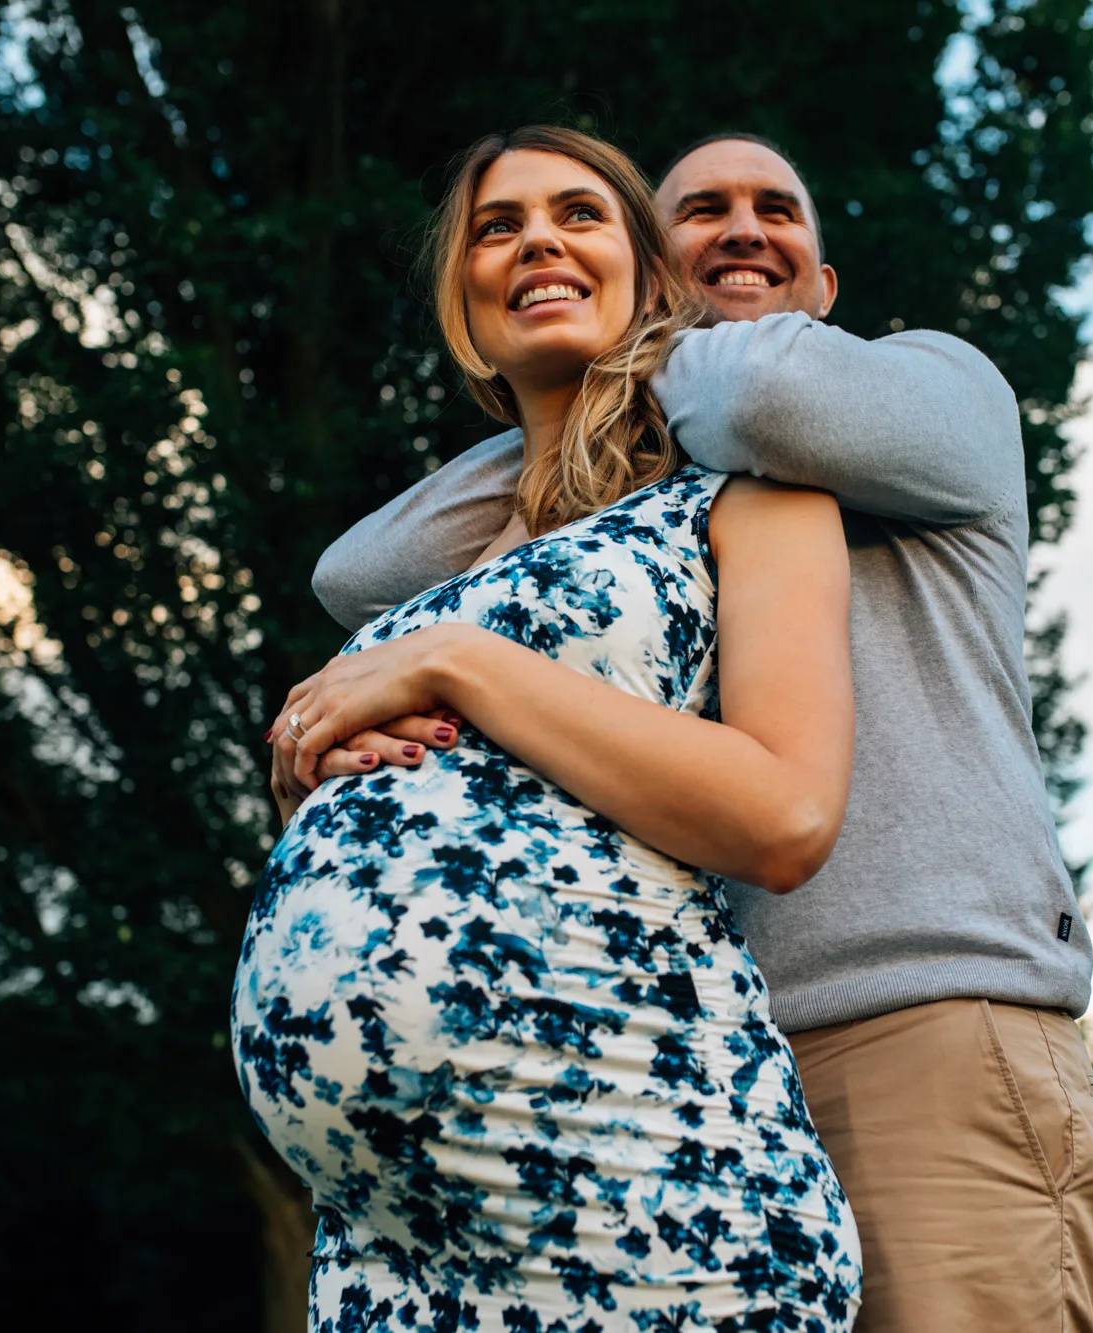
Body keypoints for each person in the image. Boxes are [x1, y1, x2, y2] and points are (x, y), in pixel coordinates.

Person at [297, 132, 1093, 1332]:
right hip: (670, 1068)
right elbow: (361, 572)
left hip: (910, 1023)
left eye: (775, 208)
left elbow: (773, 398)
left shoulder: (929, 390)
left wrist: (645, 340)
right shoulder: (642, 508)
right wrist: (576, 377)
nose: (741, 229)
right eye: (701, 212)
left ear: (821, 286)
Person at [234, 125, 862, 1330]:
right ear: (464, 306)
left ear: (651, 276)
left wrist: (456, 664)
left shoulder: (743, 502)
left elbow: (785, 814)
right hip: (390, 1243)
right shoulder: (435, 578)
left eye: (578, 214)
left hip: (640, 1181)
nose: (535, 241)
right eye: (496, 227)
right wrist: (321, 767)